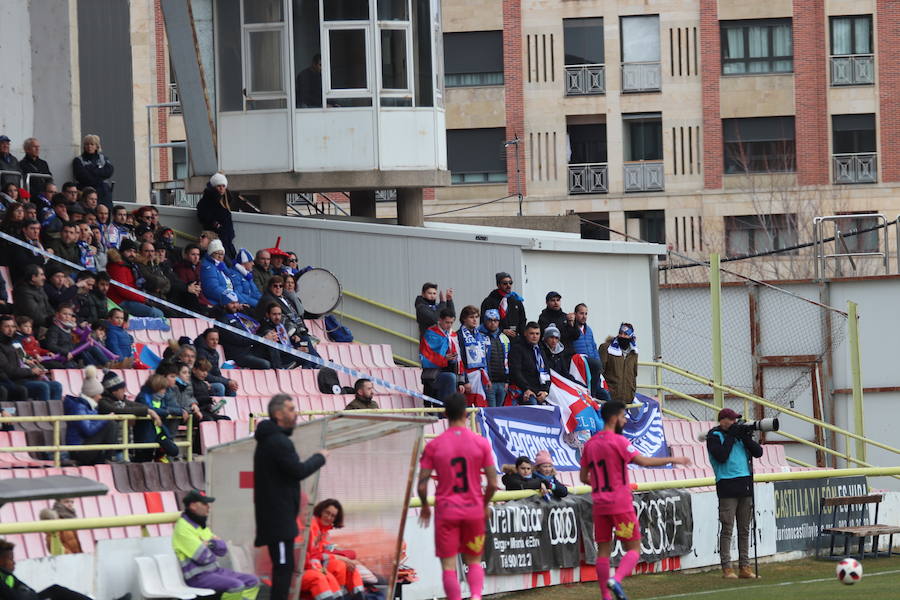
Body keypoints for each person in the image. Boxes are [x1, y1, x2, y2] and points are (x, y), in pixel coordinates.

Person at [580, 401, 690, 600]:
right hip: (620, 504)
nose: (624, 420)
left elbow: (582, 478)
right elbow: (644, 462)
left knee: (603, 551)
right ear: (614, 418)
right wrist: (672, 460)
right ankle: (617, 580)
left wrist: (599, 483)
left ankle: (605, 596)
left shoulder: (590, 444)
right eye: (623, 417)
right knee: (634, 548)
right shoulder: (619, 442)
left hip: (600, 505)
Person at [417, 393, 498, 600]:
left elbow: (422, 484)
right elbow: (493, 483)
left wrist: (425, 506)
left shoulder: (434, 445)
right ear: (464, 413)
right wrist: (484, 504)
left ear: (445, 414)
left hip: (447, 510)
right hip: (473, 509)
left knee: (448, 565)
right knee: (473, 560)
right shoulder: (480, 443)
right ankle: (476, 596)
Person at [253, 394, 328, 600]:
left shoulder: (273, 440)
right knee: (284, 568)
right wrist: (320, 457)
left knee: (285, 567)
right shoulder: (277, 441)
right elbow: (298, 470)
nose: (296, 414)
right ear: (278, 413)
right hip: (277, 519)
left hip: (278, 517)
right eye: (291, 409)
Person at [706, 408, 764, 580]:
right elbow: (721, 456)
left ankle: (744, 567)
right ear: (722, 420)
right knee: (727, 529)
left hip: (745, 484)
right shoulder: (714, 436)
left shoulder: (739, 436)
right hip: (726, 486)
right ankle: (727, 568)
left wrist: (745, 437)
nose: (734, 423)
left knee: (744, 529)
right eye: (731, 420)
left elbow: (758, 452)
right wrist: (731, 436)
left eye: (735, 420)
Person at [173, 490, 260, 600]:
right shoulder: (183, 528)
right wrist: (213, 544)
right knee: (236, 586)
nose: (209, 507)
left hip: (215, 572)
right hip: (198, 576)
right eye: (204, 504)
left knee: (253, 581)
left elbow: (222, 550)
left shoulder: (200, 526)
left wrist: (208, 544)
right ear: (193, 506)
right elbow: (203, 557)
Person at [0, 539, 100, 600]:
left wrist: (24, 593)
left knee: (55, 590)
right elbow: (15, 597)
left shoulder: (8, 575)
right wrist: (24, 592)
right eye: (10, 559)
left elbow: (31, 592)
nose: (14, 562)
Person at [306, 499, 364, 598]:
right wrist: (341, 557)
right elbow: (316, 554)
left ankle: (358, 596)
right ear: (320, 511)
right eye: (327, 513)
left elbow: (326, 547)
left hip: (319, 564)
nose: (329, 517)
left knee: (351, 567)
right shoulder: (313, 526)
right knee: (340, 565)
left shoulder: (324, 531)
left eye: (333, 516)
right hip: (314, 566)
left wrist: (340, 549)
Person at [63, 365, 120, 465]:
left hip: (86, 447)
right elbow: (88, 431)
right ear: (93, 395)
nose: (100, 397)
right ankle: (108, 458)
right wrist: (105, 419)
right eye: (99, 394)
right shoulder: (78, 408)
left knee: (111, 423)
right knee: (110, 423)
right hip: (78, 451)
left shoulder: (89, 406)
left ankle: (108, 457)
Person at [419, 308, 463, 404]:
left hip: (450, 371)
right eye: (447, 322)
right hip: (433, 374)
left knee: (452, 378)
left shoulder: (453, 335)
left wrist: (461, 381)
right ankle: (451, 409)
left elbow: (459, 359)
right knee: (450, 378)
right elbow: (425, 356)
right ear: (440, 320)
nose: (449, 325)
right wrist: (444, 358)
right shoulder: (431, 333)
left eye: (451, 323)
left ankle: (448, 411)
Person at [570, 303, 609, 401]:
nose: (584, 316)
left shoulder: (589, 330)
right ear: (575, 314)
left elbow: (594, 347)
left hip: (594, 369)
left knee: (606, 396)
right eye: (581, 313)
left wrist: (598, 363)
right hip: (580, 369)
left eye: (586, 314)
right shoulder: (570, 329)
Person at [507, 322, 550, 405]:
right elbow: (516, 372)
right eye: (532, 333)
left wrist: (545, 391)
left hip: (540, 392)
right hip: (524, 392)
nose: (535, 336)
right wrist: (526, 389)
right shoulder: (517, 348)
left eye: (537, 334)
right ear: (525, 333)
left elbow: (546, 371)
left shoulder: (540, 349)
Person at [456, 305, 490, 407]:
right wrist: (464, 380)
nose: (475, 320)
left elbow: (485, 358)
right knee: (468, 407)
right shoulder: (459, 335)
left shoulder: (480, 335)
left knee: (481, 408)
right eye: (471, 317)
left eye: (476, 317)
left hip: (480, 376)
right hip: (468, 376)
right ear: (464, 319)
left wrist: (488, 378)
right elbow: (459, 359)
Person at [197, 173, 236, 259]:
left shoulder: (224, 201)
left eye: (223, 186)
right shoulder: (207, 201)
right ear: (214, 187)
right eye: (219, 186)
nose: (221, 188)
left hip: (226, 240)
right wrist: (217, 226)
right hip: (215, 239)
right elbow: (203, 217)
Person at [480, 272, 526, 339]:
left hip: (515, 339)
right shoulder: (489, 301)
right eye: (505, 283)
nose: (508, 285)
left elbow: (522, 319)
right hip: (496, 338)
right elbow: (484, 322)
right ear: (498, 285)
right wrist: (502, 330)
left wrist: (520, 335)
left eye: (510, 283)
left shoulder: (516, 300)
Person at [599, 323, 639, 403]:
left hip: (627, 399)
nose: (622, 336)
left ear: (631, 336)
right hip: (609, 398)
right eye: (620, 333)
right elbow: (600, 372)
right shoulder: (606, 348)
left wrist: (632, 392)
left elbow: (634, 375)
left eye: (626, 334)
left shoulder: (634, 353)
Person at [194, 328, 239, 397]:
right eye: (212, 339)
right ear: (205, 339)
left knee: (231, 389)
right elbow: (205, 375)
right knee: (219, 387)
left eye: (217, 339)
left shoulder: (215, 353)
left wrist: (229, 381)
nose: (215, 342)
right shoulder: (200, 352)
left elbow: (217, 374)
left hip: (210, 381)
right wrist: (227, 382)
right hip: (199, 382)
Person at [72, 135, 113, 208]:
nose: (89, 146)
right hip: (87, 193)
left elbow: (109, 171)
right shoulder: (78, 160)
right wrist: (100, 175)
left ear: (97, 146)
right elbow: (82, 176)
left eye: (92, 144)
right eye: (87, 144)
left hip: (104, 193)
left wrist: (92, 170)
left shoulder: (103, 158)